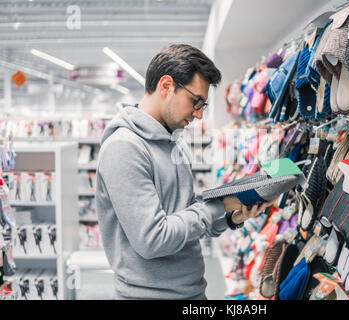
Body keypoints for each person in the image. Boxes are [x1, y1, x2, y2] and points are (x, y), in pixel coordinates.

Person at [95, 44, 275, 300]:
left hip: (190, 291)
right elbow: (153, 239)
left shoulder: (174, 140)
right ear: (166, 86)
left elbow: (186, 215)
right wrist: (218, 205)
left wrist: (230, 215)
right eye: (196, 101)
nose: (200, 115)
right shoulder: (124, 147)